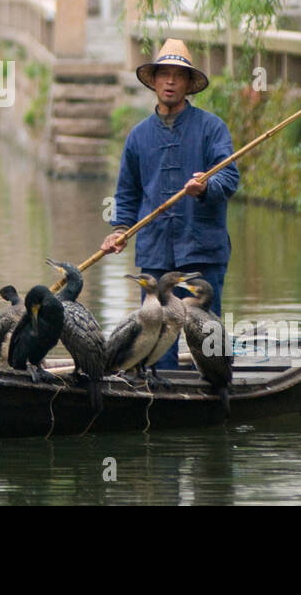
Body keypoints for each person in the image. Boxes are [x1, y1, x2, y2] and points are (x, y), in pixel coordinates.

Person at [99, 39, 239, 369]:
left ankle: (219, 391)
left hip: (202, 253)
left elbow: (229, 178)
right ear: (155, 81)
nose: (171, 82)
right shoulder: (138, 136)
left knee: (208, 335)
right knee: (156, 340)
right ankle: (163, 396)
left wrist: (205, 187)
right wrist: (120, 230)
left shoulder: (212, 128)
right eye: (165, 74)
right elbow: (127, 194)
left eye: (179, 75)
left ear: (189, 83)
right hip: (156, 257)